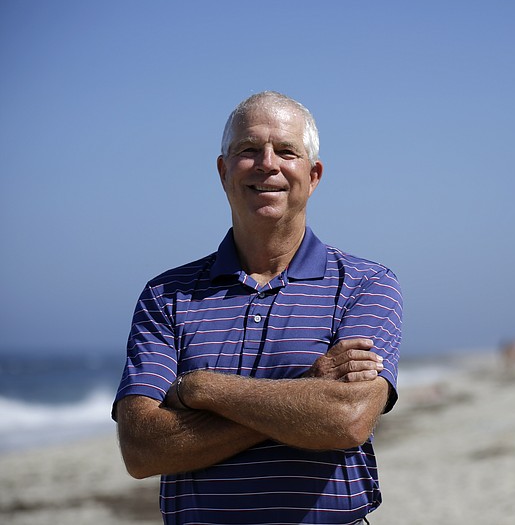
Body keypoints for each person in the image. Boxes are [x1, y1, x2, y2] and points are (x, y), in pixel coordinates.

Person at [113, 91, 402, 525]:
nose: (268, 163)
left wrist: (200, 389)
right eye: (249, 150)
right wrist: (308, 390)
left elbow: (347, 419)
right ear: (223, 171)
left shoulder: (366, 285)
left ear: (314, 174)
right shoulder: (166, 295)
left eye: (287, 151)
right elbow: (140, 448)